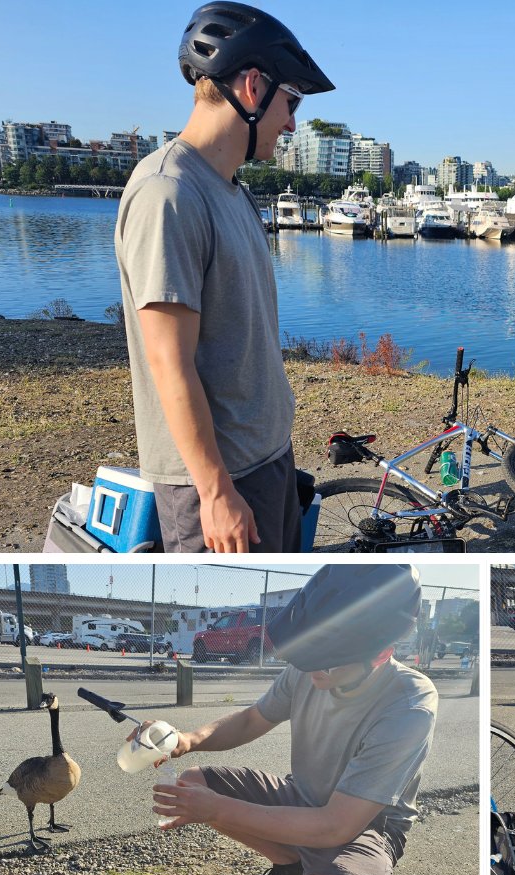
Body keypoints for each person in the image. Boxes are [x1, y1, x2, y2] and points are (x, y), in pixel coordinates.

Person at [114, 3, 334, 553]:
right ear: (254, 87)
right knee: (233, 635)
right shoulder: (168, 193)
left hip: (266, 464)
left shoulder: (232, 191)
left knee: (282, 630)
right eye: (292, 102)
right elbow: (169, 359)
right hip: (216, 484)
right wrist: (215, 493)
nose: (291, 123)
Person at [148, 564, 437, 875]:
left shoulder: (408, 703)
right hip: (304, 796)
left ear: (381, 654)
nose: (314, 670)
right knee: (195, 783)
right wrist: (186, 740)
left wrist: (214, 810)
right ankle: (290, 868)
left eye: (327, 663)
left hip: (369, 824)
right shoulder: (309, 669)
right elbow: (252, 718)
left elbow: (337, 825)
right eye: (307, 656)